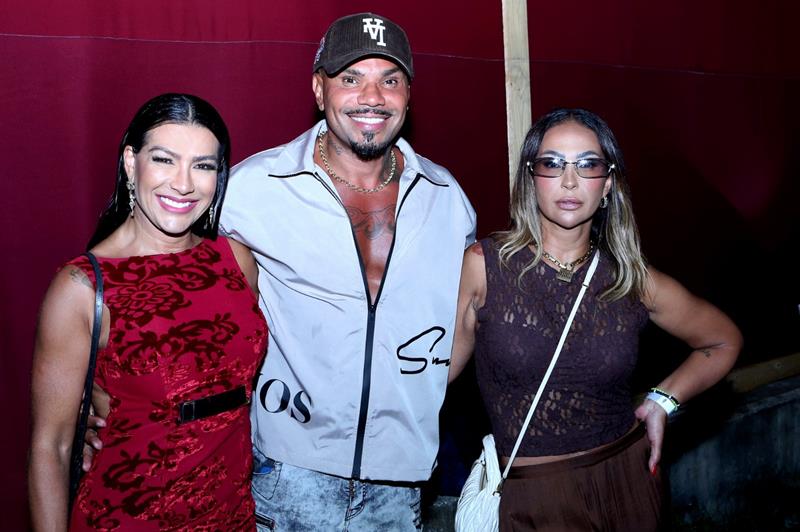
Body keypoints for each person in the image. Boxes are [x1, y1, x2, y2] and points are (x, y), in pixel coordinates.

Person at [219, 12, 475, 530]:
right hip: (287, 473)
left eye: (390, 80)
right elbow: (190, 304)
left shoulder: (447, 198)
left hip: (401, 482)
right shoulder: (255, 187)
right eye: (351, 78)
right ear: (319, 89)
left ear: (409, 95)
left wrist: (412, 394)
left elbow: (464, 317)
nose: (372, 97)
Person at [450, 108, 742, 531]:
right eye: (553, 164)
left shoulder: (630, 279)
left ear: (606, 184)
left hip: (628, 485)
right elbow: (433, 377)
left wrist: (663, 401)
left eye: (587, 165)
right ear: (531, 179)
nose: (570, 181)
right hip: (533, 498)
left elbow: (722, 340)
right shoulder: (484, 267)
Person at [29, 93, 268, 531]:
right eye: (164, 160)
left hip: (231, 514)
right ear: (130, 162)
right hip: (128, 515)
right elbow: (52, 447)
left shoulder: (236, 260)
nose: (183, 184)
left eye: (202, 165)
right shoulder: (81, 288)